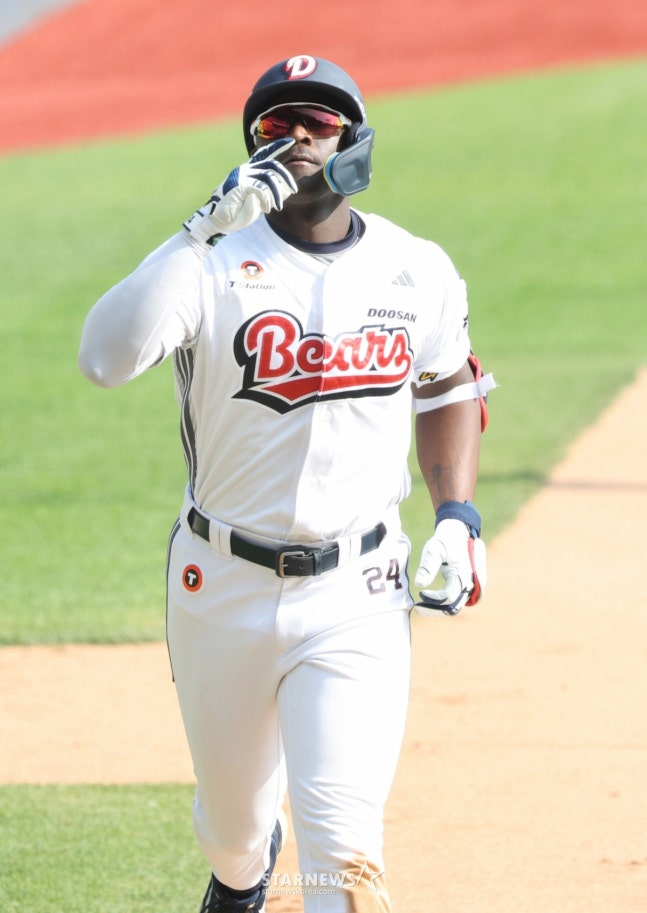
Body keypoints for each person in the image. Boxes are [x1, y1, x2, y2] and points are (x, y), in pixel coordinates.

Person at [78, 54, 494, 913]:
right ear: (250, 147)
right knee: (233, 832)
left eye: (320, 121)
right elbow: (102, 358)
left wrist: (457, 515)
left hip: (358, 589)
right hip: (218, 582)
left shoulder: (415, 268)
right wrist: (197, 230)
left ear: (355, 143)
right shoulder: (211, 263)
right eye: (276, 125)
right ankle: (239, 875)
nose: (297, 138)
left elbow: (448, 387)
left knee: (343, 847)